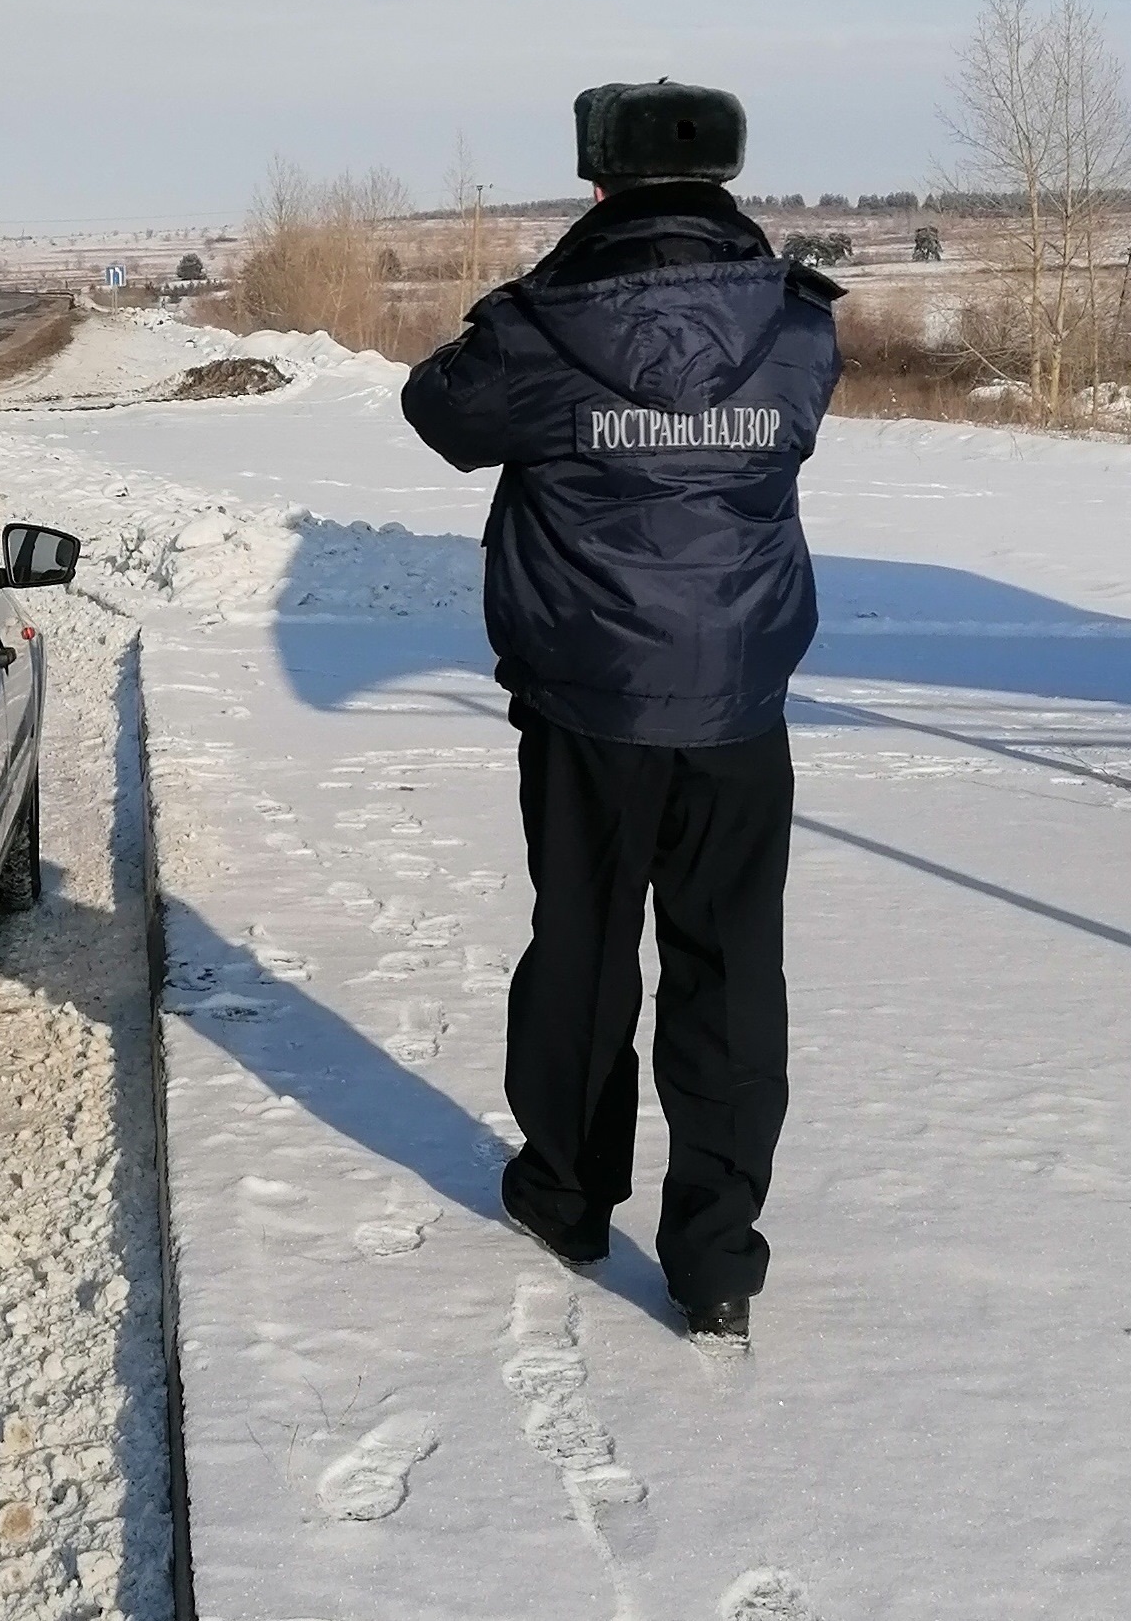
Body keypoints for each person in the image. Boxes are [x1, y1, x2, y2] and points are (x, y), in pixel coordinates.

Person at [401, 80, 839, 1345]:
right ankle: (715, 1256)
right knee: (730, 968)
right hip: (741, 703)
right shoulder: (798, 328)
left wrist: (537, 299)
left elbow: (439, 409)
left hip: (588, 698)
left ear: (598, 182)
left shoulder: (543, 329)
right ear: (729, 181)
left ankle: (569, 1194)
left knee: (584, 949)